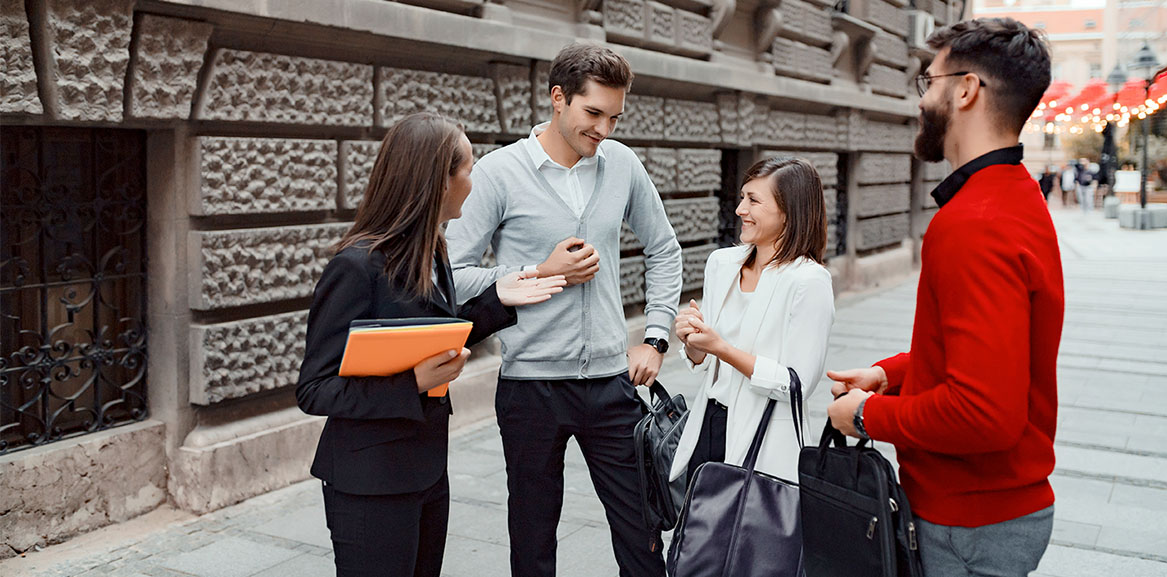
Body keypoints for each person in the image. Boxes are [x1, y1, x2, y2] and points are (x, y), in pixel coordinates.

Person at [826, 18, 1063, 577]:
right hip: (994, 512)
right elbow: (1000, 359)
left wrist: (866, 416)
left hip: (968, 523)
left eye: (927, 82)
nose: (922, 99)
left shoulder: (974, 222)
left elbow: (984, 412)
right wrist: (892, 374)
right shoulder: (1014, 196)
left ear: (965, 90)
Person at [445, 43, 682, 577]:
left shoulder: (621, 163)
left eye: (614, 117)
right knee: (532, 541)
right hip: (531, 387)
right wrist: (540, 273)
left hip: (610, 383)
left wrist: (656, 335)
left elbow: (664, 248)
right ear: (558, 98)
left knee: (643, 534)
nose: (604, 130)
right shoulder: (500, 172)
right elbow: (451, 276)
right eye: (593, 113)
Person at [295, 112, 567, 577]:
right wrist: (413, 383)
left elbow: (434, 333)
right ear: (438, 181)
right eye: (468, 169)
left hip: (426, 470)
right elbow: (314, 389)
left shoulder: (434, 250)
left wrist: (496, 300)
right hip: (369, 483)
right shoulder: (356, 267)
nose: (474, 180)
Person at [669, 157, 834, 488]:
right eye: (743, 197)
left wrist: (723, 348)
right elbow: (707, 363)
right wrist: (695, 343)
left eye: (754, 200)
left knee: (748, 538)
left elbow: (796, 384)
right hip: (710, 427)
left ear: (789, 211)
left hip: (766, 439)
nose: (740, 209)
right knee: (698, 537)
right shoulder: (722, 264)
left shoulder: (807, 280)